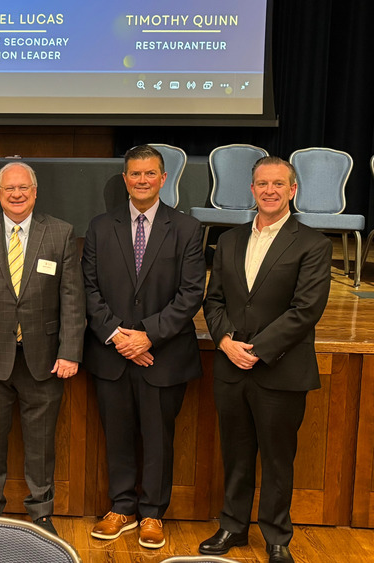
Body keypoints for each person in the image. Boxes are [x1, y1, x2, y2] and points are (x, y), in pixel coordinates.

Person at [199, 156, 331, 563]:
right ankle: (233, 527)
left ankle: (276, 536)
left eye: (278, 183)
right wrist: (223, 341)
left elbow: (305, 310)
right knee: (236, 453)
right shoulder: (230, 240)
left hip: (279, 369)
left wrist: (254, 350)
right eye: (261, 183)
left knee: (277, 458)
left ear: (293, 190)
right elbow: (214, 299)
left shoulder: (313, 243)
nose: (269, 190)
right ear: (252, 190)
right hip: (230, 366)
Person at [82, 145, 206, 548]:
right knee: (116, 435)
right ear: (124, 179)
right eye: (134, 174)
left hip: (163, 354)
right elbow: (88, 290)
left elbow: (190, 295)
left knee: (157, 437)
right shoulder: (100, 227)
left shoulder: (187, 229)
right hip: (111, 354)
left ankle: (152, 513)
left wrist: (148, 335)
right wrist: (119, 336)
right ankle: (122, 507)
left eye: (150, 174)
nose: (141, 180)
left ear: (163, 178)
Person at [0, 162, 85, 535]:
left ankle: (41, 513)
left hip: (44, 360)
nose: (16, 194)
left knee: (41, 444)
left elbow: (73, 299)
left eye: (23, 188)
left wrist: (70, 351)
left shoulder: (59, 233)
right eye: (9, 188)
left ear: (35, 191)